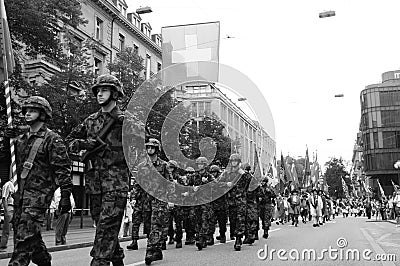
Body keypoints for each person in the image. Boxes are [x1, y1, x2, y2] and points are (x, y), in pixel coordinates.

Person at [66, 74, 129, 266]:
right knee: (104, 228)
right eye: (98, 91)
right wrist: (85, 144)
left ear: (115, 93)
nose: (99, 94)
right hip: (94, 184)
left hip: (116, 183)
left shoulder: (125, 119)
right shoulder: (90, 121)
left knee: (106, 228)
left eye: (105, 90)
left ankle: (99, 261)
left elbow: (146, 141)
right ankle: (117, 260)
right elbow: (69, 142)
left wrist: (128, 124)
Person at [5, 96, 73, 266]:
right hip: (21, 196)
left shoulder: (53, 140)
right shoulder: (20, 139)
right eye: (26, 110)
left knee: (22, 241)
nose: (27, 113)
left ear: (43, 114)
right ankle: (44, 261)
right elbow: (11, 163)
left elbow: (63, 171)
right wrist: (6, 142)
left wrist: (65, 197)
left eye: (33, 110)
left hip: (38, 199)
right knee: (31, 240)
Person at [0, 178, 15, 249]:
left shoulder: (18, 185)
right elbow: (4, 198)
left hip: (16, 207)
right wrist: (6, 210)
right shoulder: (8, 185)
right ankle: (3, 244)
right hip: (10, 207)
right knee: (7, 227)